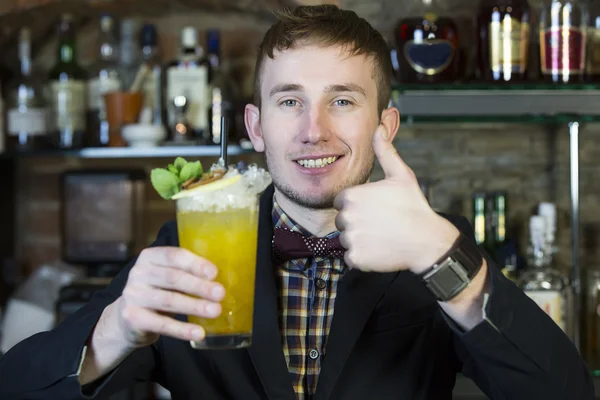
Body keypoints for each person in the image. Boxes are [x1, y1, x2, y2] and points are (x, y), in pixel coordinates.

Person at [0, 5, 594, 400]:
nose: (314, 130)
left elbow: (565, 390)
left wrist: (445, 259)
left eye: (342, 101)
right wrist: (115, 328)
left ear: (384, 124)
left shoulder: (436, 245)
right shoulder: (187, 244)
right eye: (289, 102)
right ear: (256, 127)